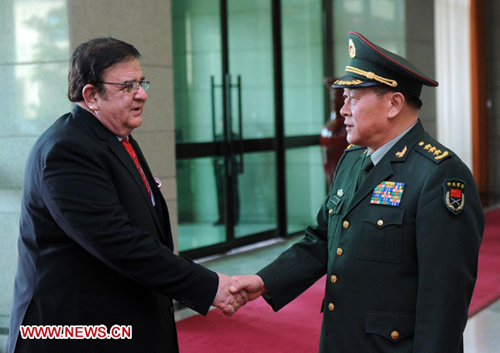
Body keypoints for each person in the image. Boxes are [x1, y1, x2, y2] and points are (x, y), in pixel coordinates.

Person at [230, 31, 484, 352]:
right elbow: (321, 240)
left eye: (353, 98)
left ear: (393, 103)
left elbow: (443, 300)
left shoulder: (439, 175)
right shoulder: (352, 160)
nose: (343, 111)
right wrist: (266, 280)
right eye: (344, 98)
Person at [7, 37, 247, 353]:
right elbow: (117, 242)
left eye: (142, 82)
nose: (143, 94)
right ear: (91, 95)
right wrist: (210, 286)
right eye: (128, 86)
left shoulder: (114, 136)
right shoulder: (67, 149)